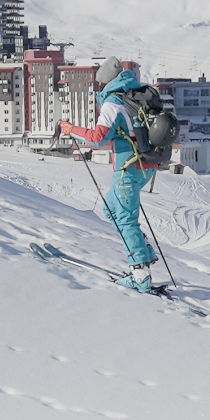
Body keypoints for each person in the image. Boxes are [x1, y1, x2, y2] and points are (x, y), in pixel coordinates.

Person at [61, 57, 160, 291]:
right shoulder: (133, 96)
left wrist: (70, 129)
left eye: (99, 84)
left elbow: (98, 138)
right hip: (145, 165)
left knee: (125, 219)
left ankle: (140, 276)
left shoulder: (112, 103)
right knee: (111, 209)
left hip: (127, 167)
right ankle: (143, 251)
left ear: (105, 82)